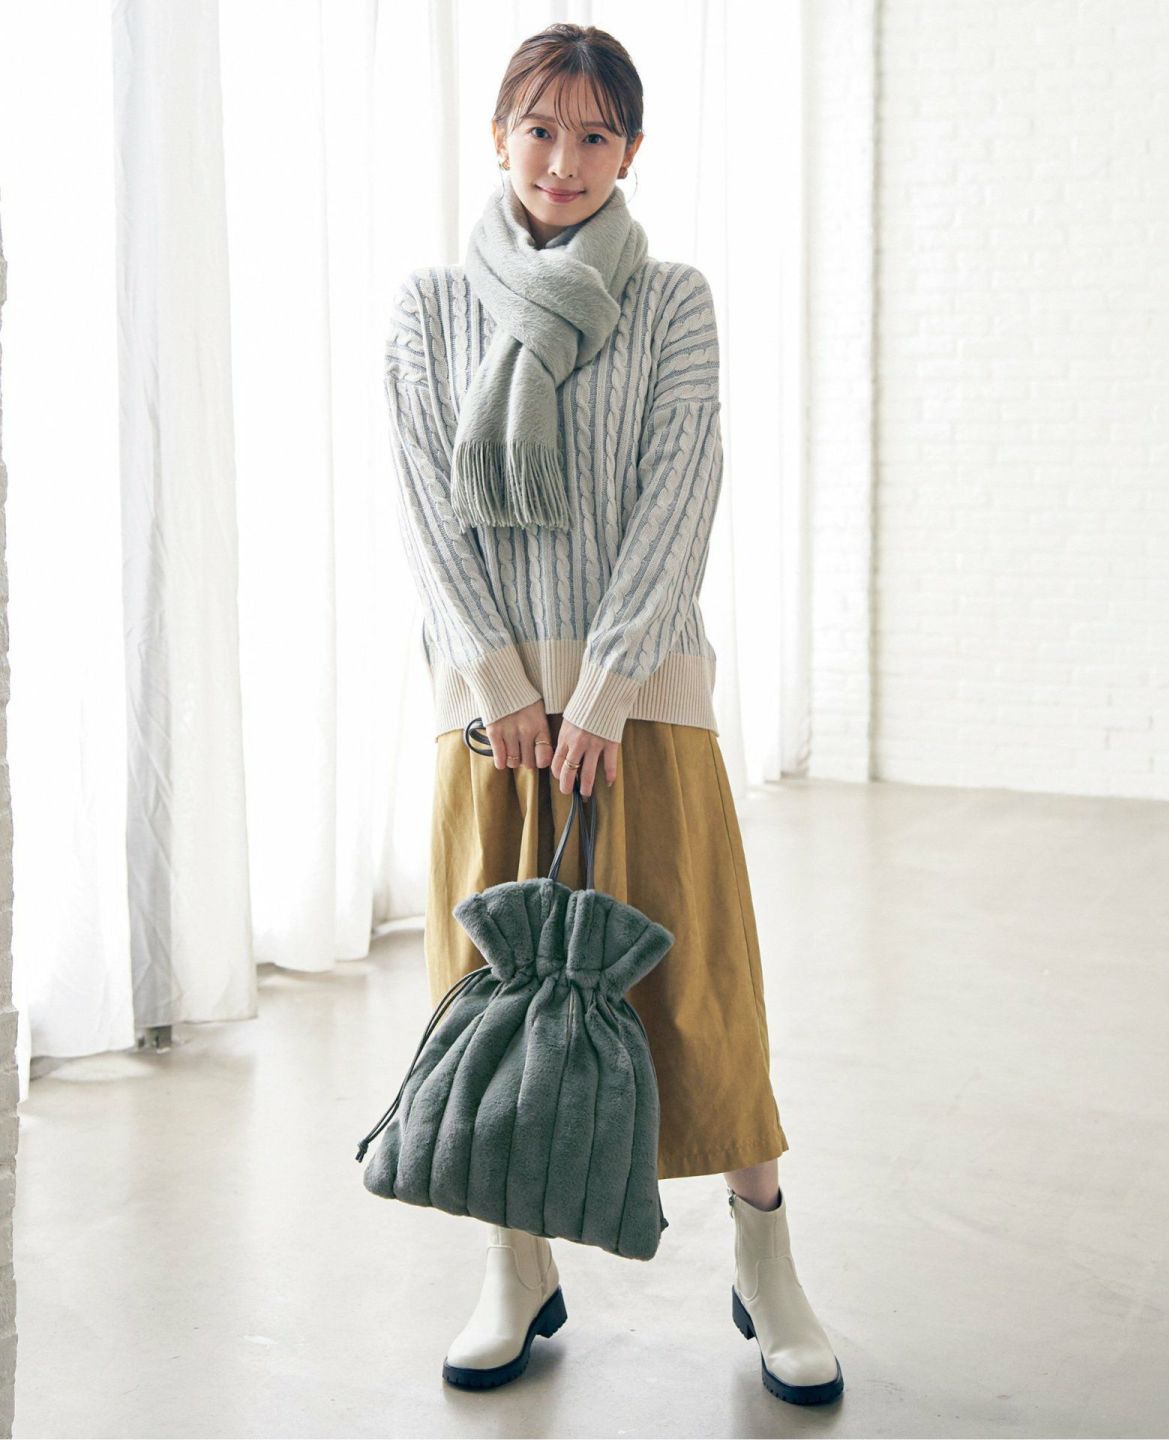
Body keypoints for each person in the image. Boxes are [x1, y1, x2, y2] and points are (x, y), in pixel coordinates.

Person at [382, 21, 844, 1407]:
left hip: (643, 711)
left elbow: (678, 499)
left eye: (595, 135)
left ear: (630, 149)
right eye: (541, 129)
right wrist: (505, 688)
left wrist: (601, 695)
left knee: (699, 995)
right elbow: (425, 514)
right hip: (494, 721)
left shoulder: (673, 301)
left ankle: (767, 1265)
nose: (564, 160)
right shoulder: (429, 310)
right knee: (493, 1002)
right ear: (500, 135)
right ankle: (513, 1266)